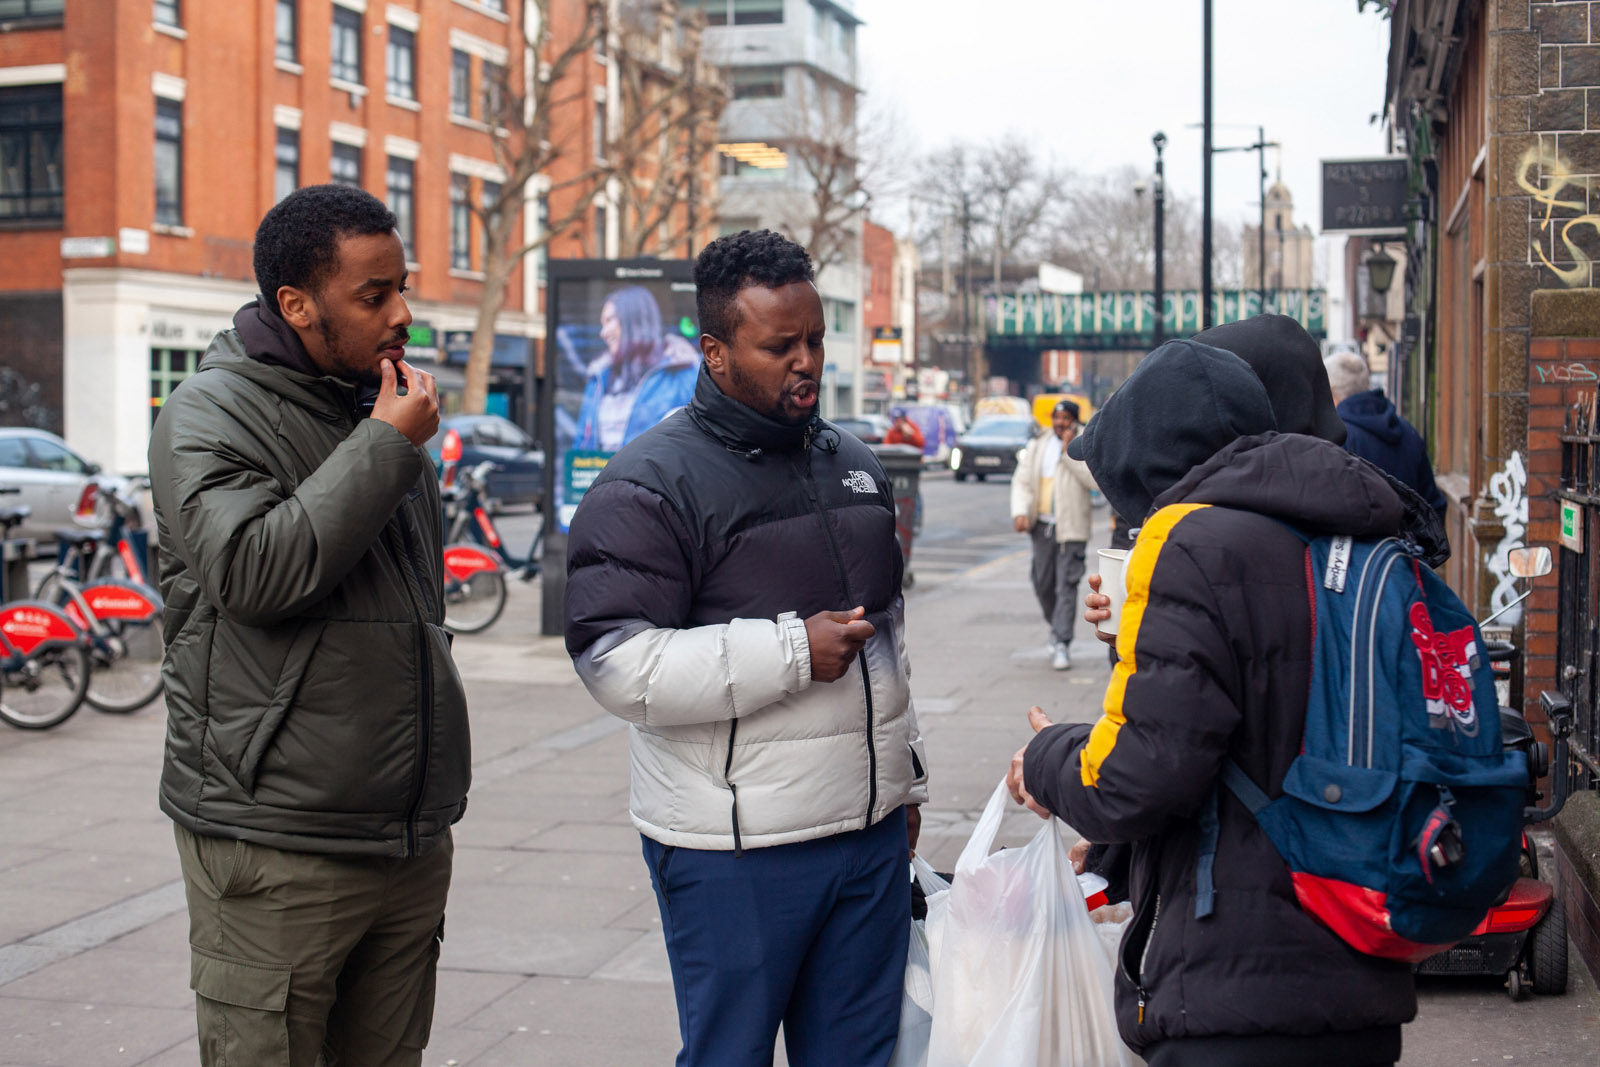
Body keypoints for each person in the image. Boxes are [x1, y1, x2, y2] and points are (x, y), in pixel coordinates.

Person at [564, 229, 928, 1067]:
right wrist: (793, 650)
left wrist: (906, 780)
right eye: (778, 346)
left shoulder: (857, 466)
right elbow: (618, 665)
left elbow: (891, 648)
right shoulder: (646, 484)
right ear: (716, 351)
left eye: (814, 340)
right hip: (734, 855)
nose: (805, 361)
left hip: (866, 835)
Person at [1006, 338, 1417, 1067]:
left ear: (1148, 463)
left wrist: (1046, 759)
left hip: (1237, 987)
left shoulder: (1192, 547)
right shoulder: (1347, 533)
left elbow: (1138, 774)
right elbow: (1253, 741)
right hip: (1358, 963)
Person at [148, 185, 470, 1067]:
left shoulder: (374, 405)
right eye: (374, 295)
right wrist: (384, 446)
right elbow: (254, 570)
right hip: (275, 841)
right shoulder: (210, 412)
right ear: (296, 304)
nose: (403, 313)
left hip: (402, 838)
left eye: (400, 286)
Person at [1011, 398, 1098, 670]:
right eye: (1056, 418)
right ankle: (1056, 625)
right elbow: (1023, 480)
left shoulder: (1086, 444)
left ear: (1074, 420)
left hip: (1072, 528)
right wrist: (1020, 512)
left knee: (1067, 585)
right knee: (1042, 581)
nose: (1060, 424)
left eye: (1065, 419)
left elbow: (1093, 480)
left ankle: (1062, 641)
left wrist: (1067, 452)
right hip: (1042, 526)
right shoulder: (1038, 443)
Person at [573, 284, 701, 451]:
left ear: (634, 320)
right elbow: (580, 446)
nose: (603, 333)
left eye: (609, 320)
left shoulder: (683, 372)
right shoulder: (598, 379)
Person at [1325, 349, 1449, 518]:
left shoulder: (1337, 438)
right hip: (1409, 542)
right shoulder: (1408, 432)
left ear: (1331, 392)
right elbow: (1433, 505)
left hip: (1361, 543)